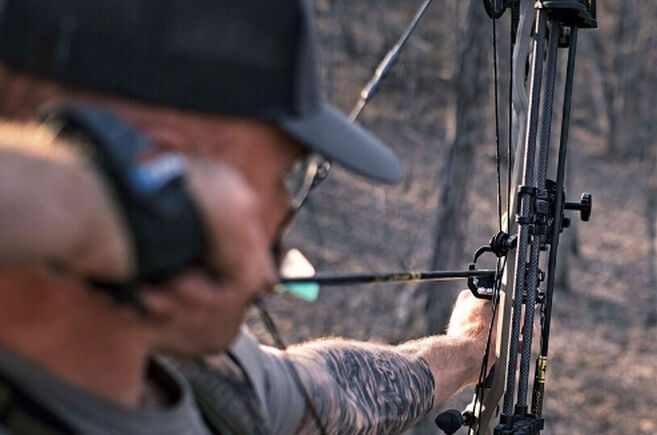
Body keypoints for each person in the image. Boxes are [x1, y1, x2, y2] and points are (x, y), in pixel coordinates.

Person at [0, 0, 496, 434]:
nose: (283, 213)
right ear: (150, 163)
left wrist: (468, 351)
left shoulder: (196, 374)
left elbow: (335, 392)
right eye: (281, 171)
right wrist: (100, 206)